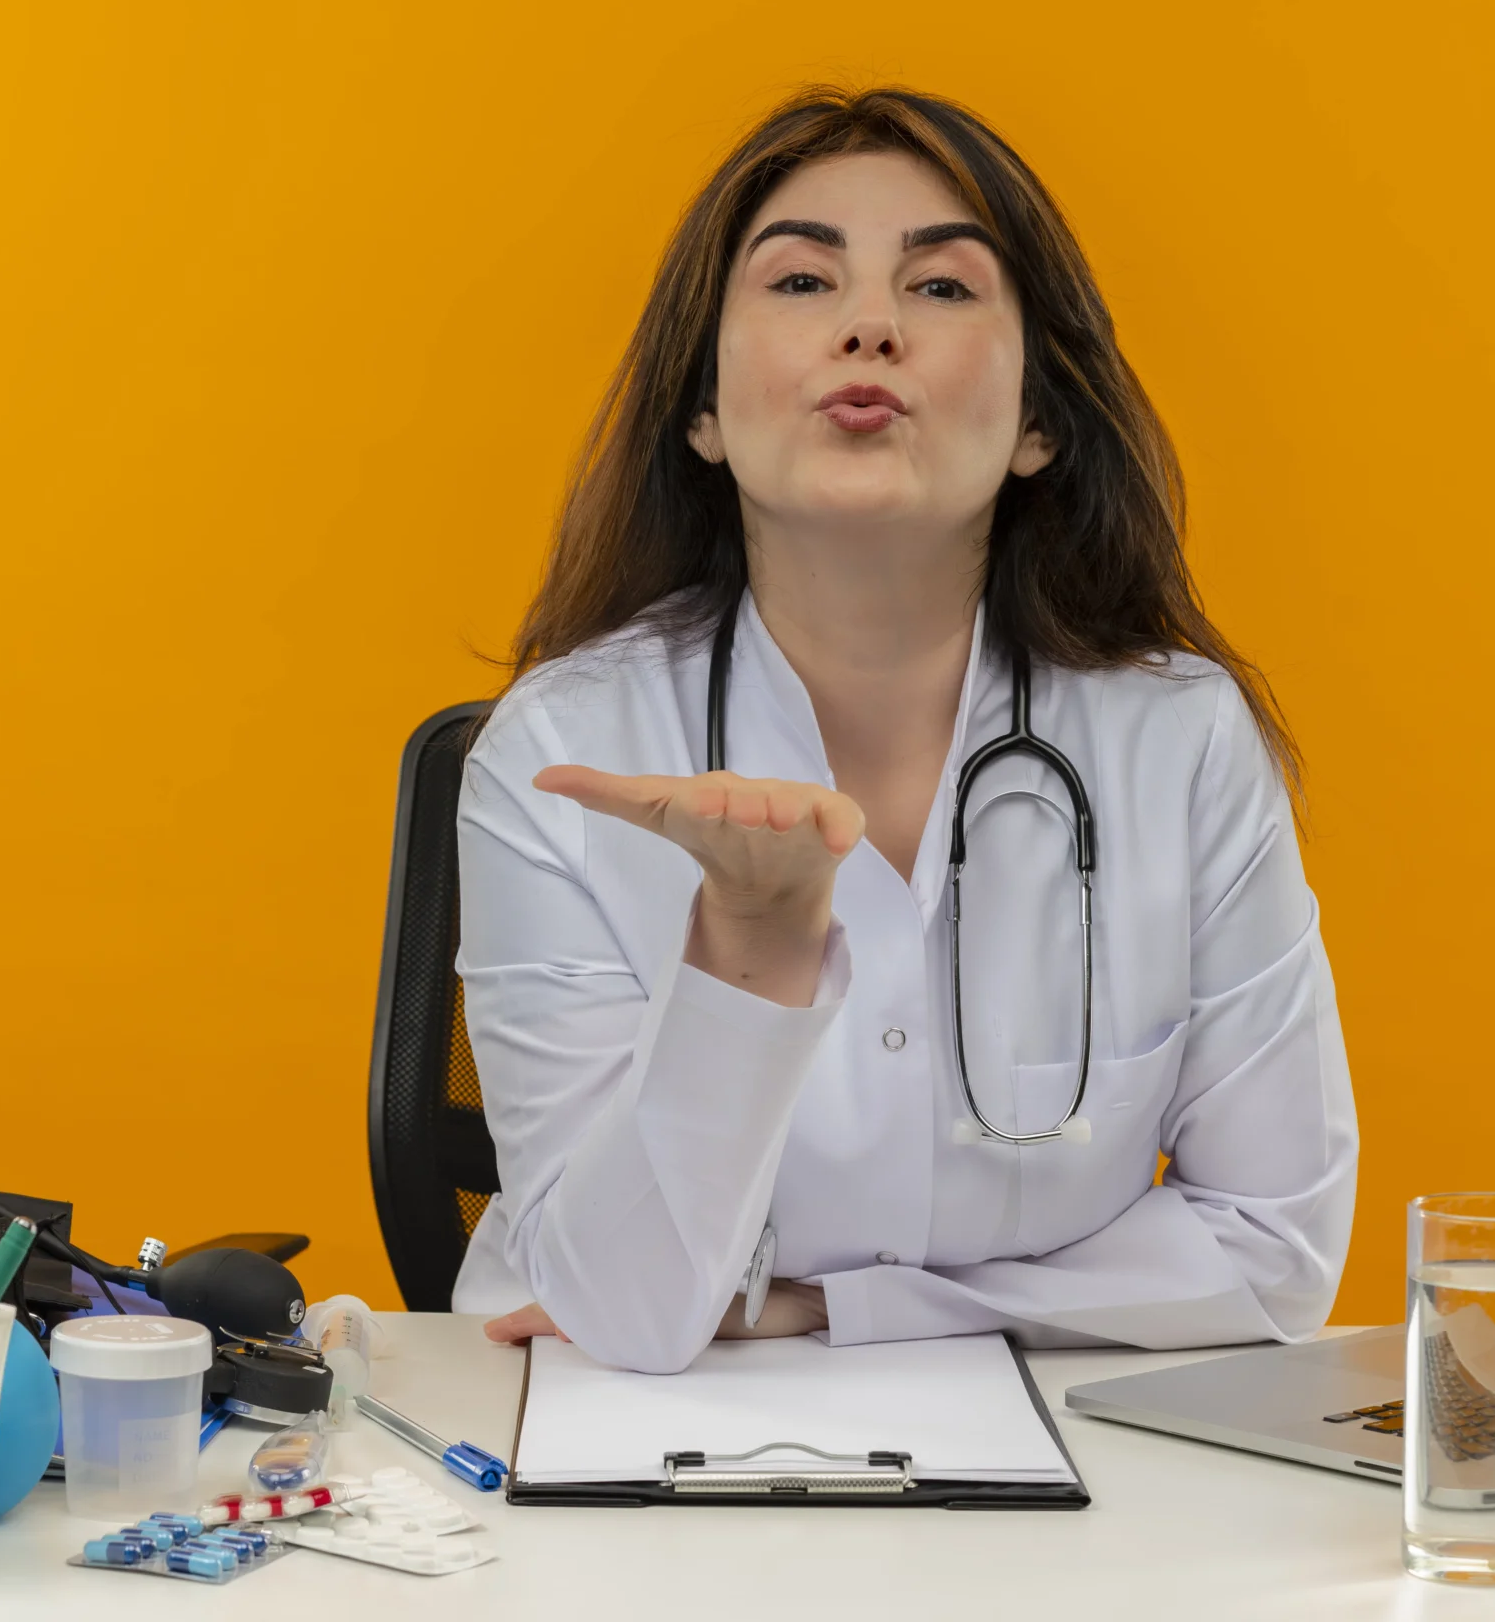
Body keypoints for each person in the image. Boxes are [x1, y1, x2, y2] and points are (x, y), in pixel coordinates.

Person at [451, 87, 1356, 1375]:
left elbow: (1276, 1250)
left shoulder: (1184, 745)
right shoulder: (556, 759)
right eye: (803, 280)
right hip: (624, 1480)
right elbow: (624, 1313)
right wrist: (750, 951)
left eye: (940, 290)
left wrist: (835, 1310)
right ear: (701, 411)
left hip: (1077, 1486)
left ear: (1040, 420)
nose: (870, 326)